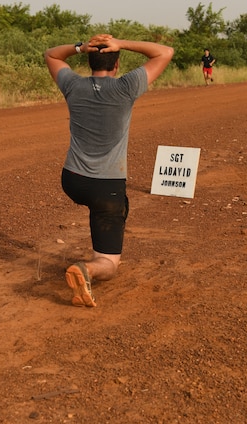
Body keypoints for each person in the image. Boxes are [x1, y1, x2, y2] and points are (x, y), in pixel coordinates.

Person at [44, 34, 174, 307]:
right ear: (116, 65)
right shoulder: (126, 87)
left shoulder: (73, 85)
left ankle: (95, 251)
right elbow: (164, 52)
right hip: (106, 186)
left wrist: (80, 47)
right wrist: (123, 43)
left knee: (96, 206)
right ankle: (88, 269)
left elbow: (52, 55)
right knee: (109, 263)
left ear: (89, 60)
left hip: (72, 180)